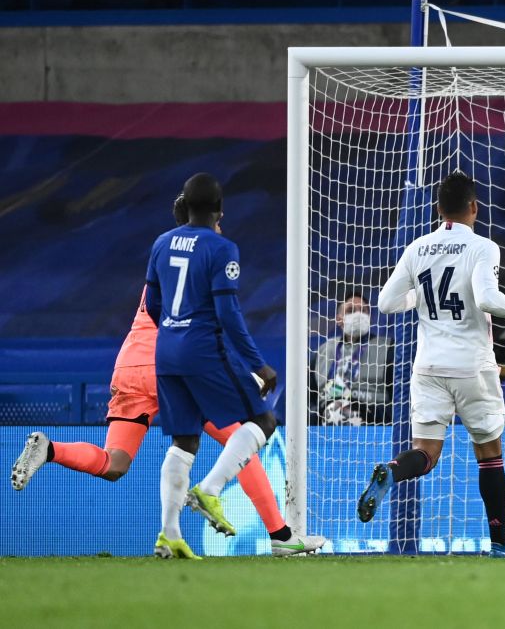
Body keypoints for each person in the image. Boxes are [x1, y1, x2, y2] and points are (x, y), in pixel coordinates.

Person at [11, 194, 323, 559]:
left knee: (115, 463)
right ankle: (280, 536)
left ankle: (50, 450)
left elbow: (158, 309)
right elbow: (218, 320)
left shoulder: (163, 253)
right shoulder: (210, 254)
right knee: (242, 444)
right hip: (174, 363)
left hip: (130, 362)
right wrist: (248, 369)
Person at [356, 170, 505, 558]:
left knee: (425, 454)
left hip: (428, 368)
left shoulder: (417, 247)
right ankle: (499, 544)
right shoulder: (483, 247)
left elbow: (386, 304)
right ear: (474, 207)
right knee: (490, 455)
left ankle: (391, 471)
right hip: (472, 367)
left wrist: (420, 301)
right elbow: (488, 299)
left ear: (438, 208)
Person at [145, 173, 324, 558]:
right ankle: (209, 490)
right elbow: (228, 314)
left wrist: (175, 330)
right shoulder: (221, 248)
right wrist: (258, 364)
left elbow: (154, 307)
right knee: (263, 421)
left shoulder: (160, 244)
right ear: (219, 210)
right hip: (201, 350)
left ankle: (169, 534)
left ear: (186, 205)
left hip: (166, 351)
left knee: (184, 441)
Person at [310, 292, 395, 425]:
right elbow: (309, 399)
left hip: (374, 427)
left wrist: (364, 410)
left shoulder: (388, 347)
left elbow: (400, 400)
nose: (358, 315)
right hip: (325, 428)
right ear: (339, 319)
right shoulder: (323, 350)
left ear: (369, 318)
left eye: (363, 310)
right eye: (350, 310)